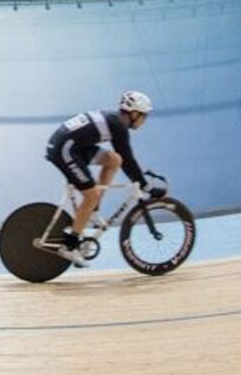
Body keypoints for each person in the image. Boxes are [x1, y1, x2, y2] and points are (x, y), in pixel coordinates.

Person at [44, 92, 162, 267]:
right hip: (65, 150)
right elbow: (129, 160)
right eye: (144, 116)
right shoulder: (119, 126)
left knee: (114, 160)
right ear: (134, 113)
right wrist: (145, 186)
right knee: (91, 195)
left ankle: (93, 212)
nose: (144, 121)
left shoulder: (114, 119)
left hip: (72, 146)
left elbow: (122, 159)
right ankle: (69, 245)